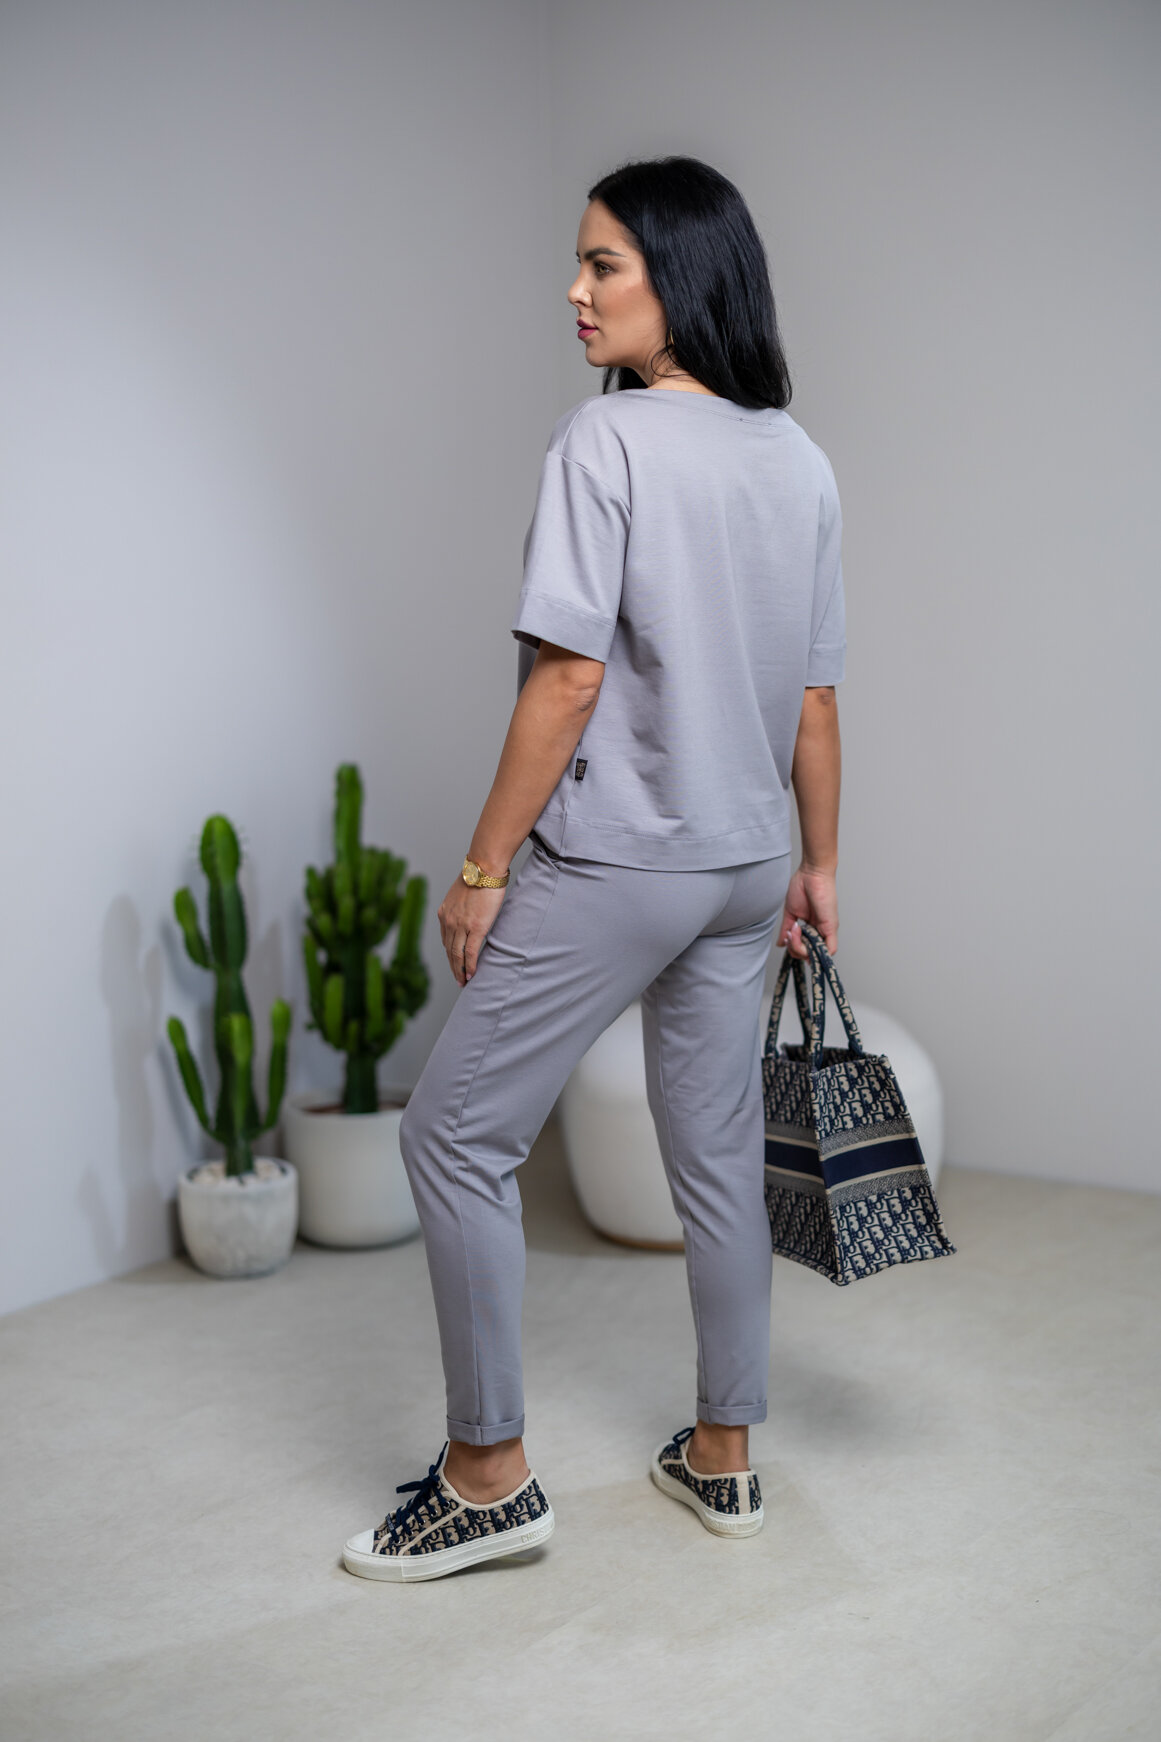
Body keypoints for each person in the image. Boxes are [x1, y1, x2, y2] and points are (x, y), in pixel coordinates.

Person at [342, 155, 845, 1583]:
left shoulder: (603, 442)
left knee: (453, 1135)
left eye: (602, 263)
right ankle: (725, 1454)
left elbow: (567, 680)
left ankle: (485, 1477)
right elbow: (813, 700)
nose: (573, 289)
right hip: (747, 861)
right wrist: (820, 862)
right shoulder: (798, 459)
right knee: (716, 1160)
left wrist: (482, 865)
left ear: (680, 277)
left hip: (621, 855)